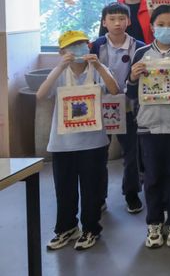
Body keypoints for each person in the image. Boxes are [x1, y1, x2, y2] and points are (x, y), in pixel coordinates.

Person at [37, 30, 119, 251]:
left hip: (93, 143)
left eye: (82, 45)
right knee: (64, 189)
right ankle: (66, 228)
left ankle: (91, 229)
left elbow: (114, 89)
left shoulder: (97, 70)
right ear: (62, 51)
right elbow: (41, 95)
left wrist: (99, 66)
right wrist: (59, 67)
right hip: (63, 144)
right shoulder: (60, 73)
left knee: (92, 189)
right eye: (72, 46)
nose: (78, 50)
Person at [127, 5, 170, 248]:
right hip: (148, 125)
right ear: (152, 27)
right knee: (152, 178)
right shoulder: (141, 53)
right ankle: (154, 223)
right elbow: (130, 92)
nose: (166, 29)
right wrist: (133, 77)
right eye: (161, 25)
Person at [90, 2, 144, 214]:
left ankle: (131, 193)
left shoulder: (139, 46)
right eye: (112, 19)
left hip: (130, 107)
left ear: (129, 21)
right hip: (101, 107)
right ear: (104, 22)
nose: (117, 23)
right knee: (99, 153)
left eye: (122, 18)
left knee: (131, 154)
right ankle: (98, 196)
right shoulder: (96, 46)